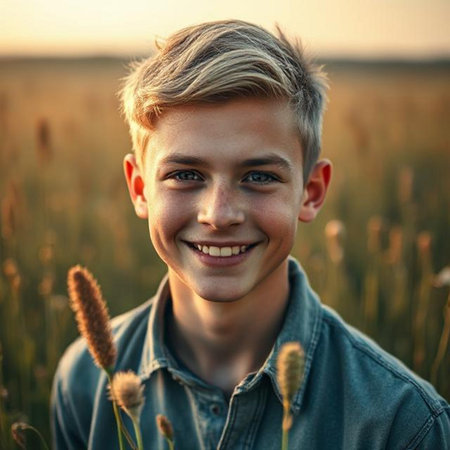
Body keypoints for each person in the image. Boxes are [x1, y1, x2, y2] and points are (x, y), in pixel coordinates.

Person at [51, 20, 450, 449]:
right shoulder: (84, 383)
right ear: (139, 188)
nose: (219, 215)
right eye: (185, 174)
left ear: (311, 193)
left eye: (259, 176)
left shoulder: (401, 422)